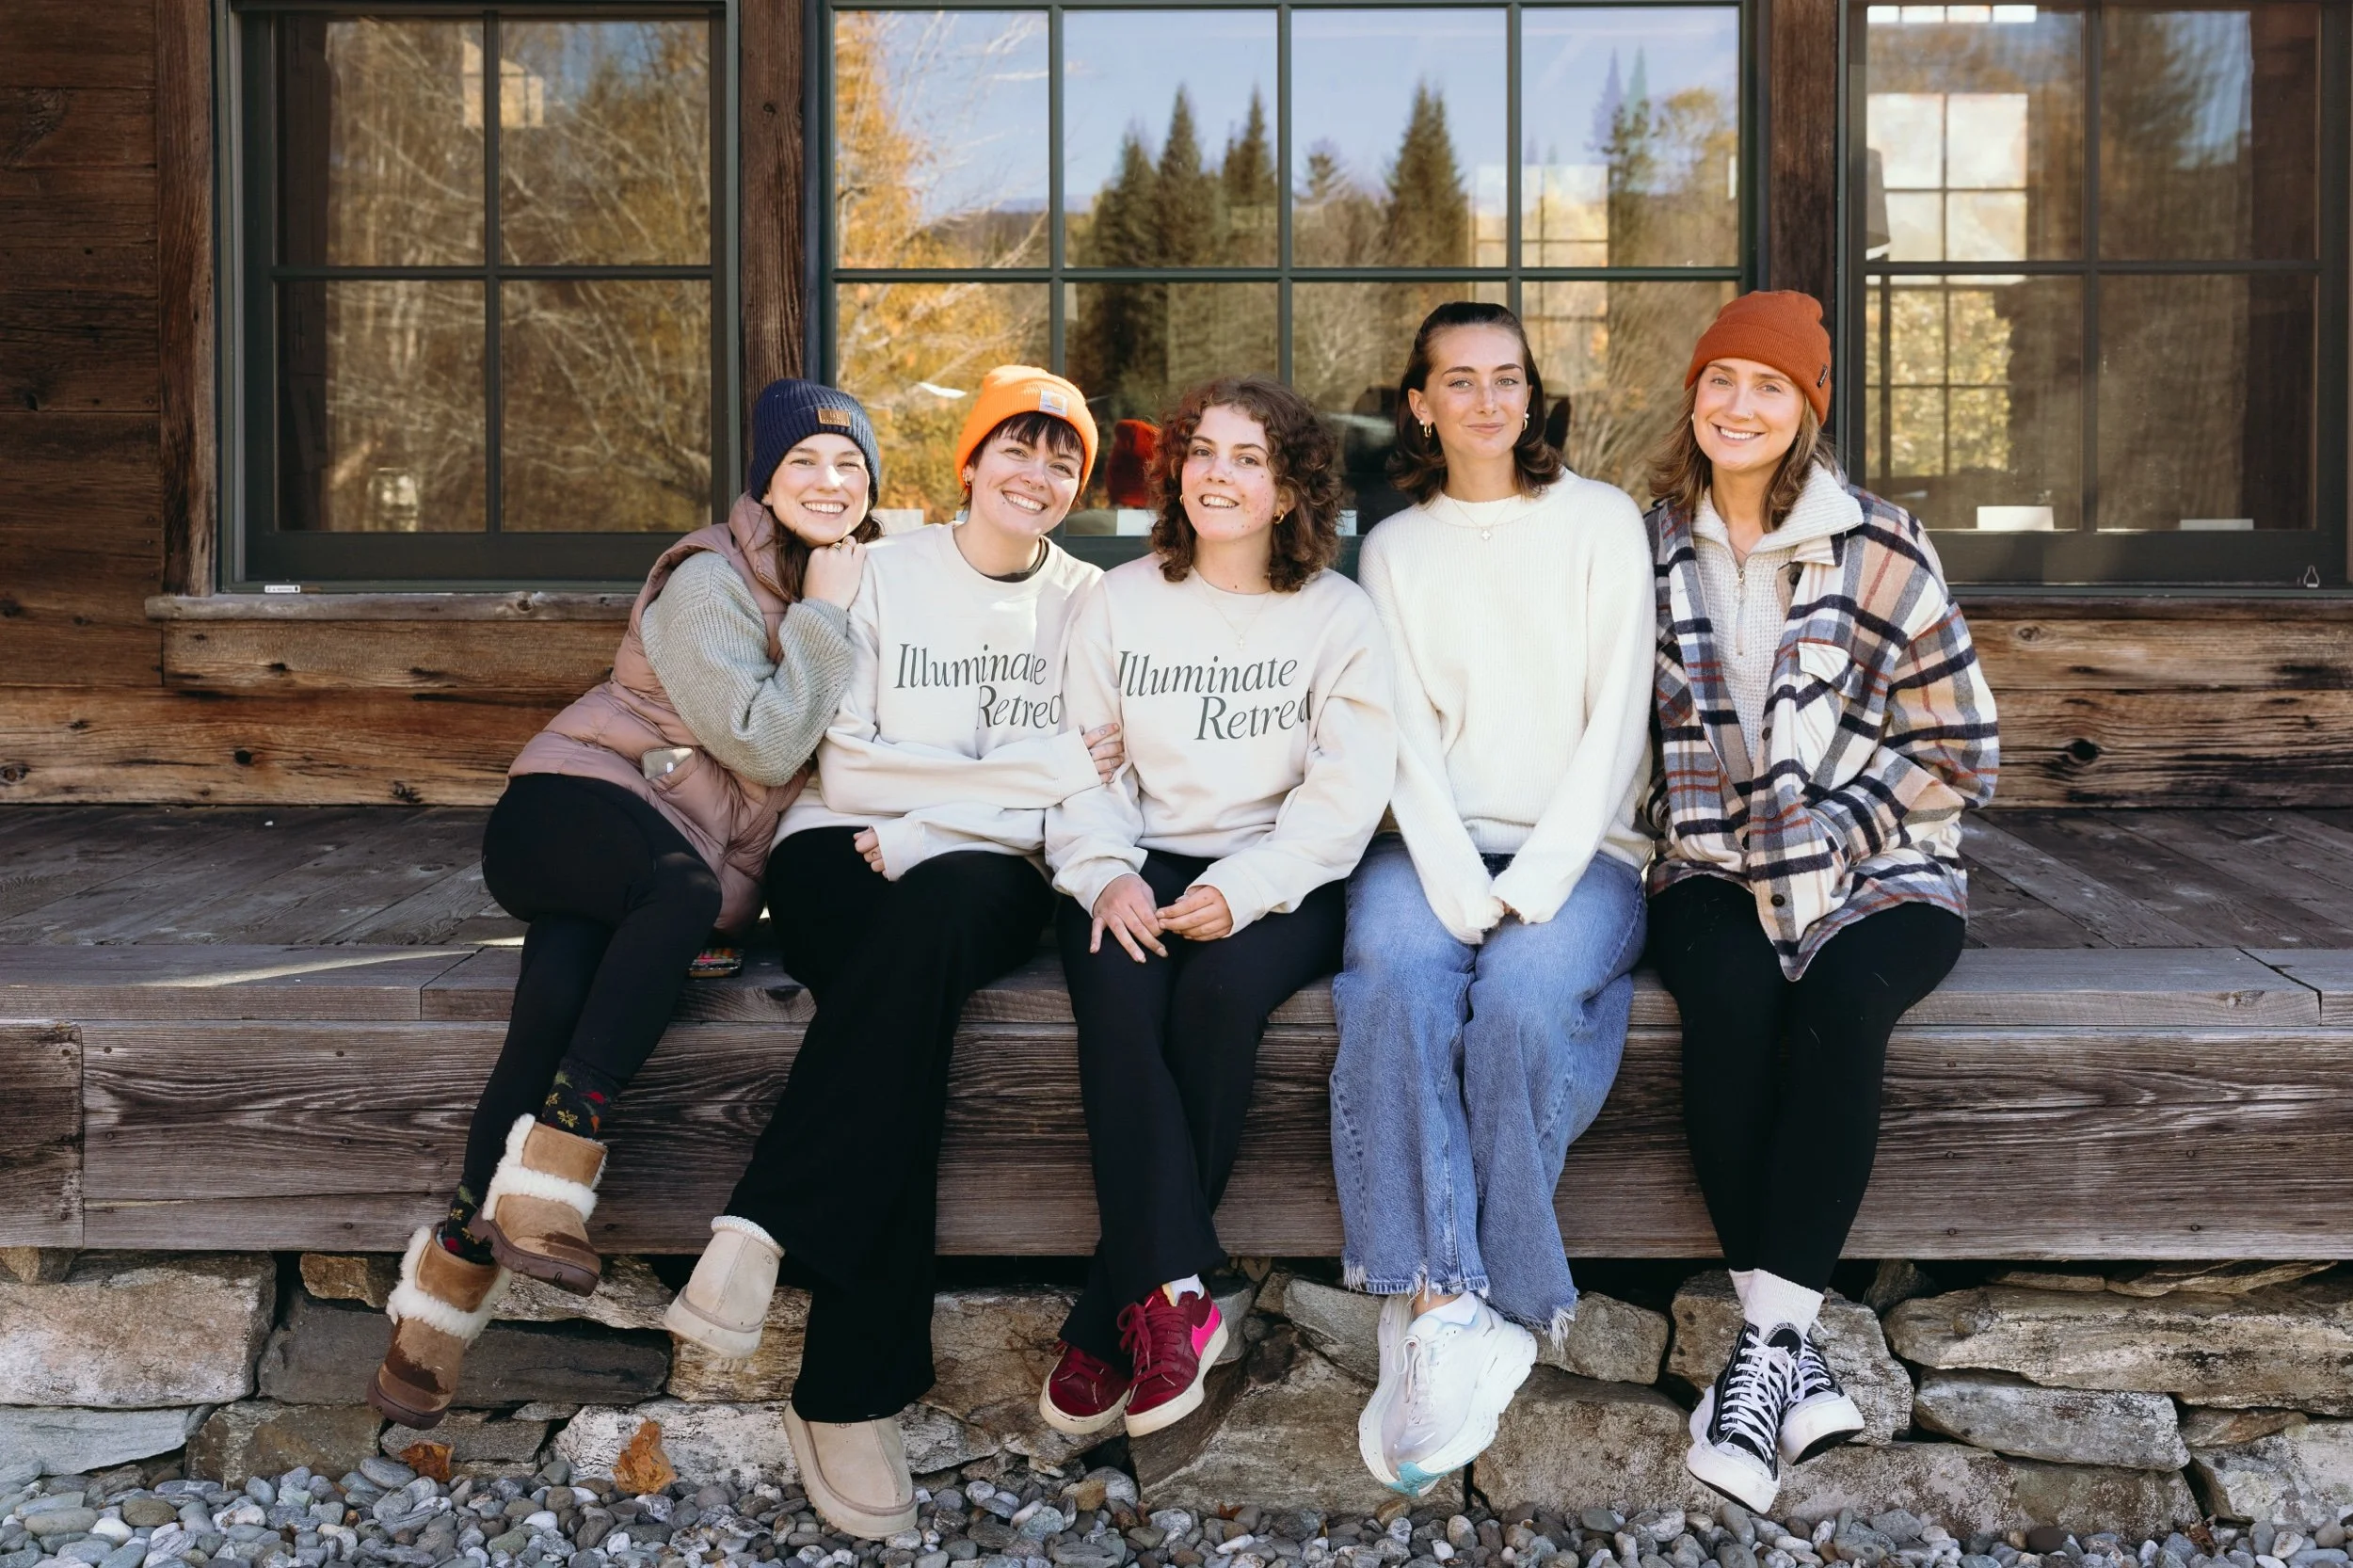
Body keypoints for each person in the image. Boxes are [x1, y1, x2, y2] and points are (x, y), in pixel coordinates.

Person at [366, 378, 882, 1430]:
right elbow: (767, 744)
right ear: (763, 481)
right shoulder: (708, 579)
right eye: (804, 462)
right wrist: (826, 615)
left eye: (851, 465)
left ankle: (447, 1286)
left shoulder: (869, 578)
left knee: (555, 992)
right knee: (678, 892)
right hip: (566, 811)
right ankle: (556, 1164)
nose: (829, 481)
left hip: (652, 873)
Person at [660, 367, 1118, 1541]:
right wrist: (1027, 771)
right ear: (968, 463)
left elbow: (1091, 784)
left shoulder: (1089, 601)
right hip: (833, 847)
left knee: (923, 944)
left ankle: (761, 1226)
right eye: (1015, 448)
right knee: (900, 1022)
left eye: (1062, 458)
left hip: (985, 865)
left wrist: (941, 818)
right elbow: (848, 765)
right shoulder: (876, 568)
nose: (1037, 475)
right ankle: (844, 1391)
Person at [1642, 292, 1997, 1512]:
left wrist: (1830, 837)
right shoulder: (1648, 548)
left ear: (1807, 412)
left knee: (1843, 1004)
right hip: (1706, 860)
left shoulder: (1882, 544)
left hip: (1885, 858)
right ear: (1695, 395)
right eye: (1722, 380)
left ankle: (1761, 1358)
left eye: (1771, 387)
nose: (1740, 406)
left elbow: (1960, 744)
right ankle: (1790, 1356)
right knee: (1731, 998)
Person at [1332, 301, 1656, 1495]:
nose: (1485, 399)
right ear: (1418, 405)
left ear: (1532, 395)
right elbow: (1402, 737)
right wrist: (1457, 875)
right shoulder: (1395, 547)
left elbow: (1619, 714)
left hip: (1586, 847)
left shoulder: (1599, 521)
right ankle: (1443, 1302)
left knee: (1522, 1000)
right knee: (1393, 981)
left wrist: (1542, 874)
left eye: (1506, 377)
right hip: (1429, 845)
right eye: (1457, 380)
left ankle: (1464, 1295)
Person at [1036, 376, 1396, 1442]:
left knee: (1218, 998)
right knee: (1115, 990)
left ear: (1290, 489)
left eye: (1249, 458)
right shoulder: (1119, 600)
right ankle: (1182, 1295)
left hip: (1283, 872)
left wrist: (1241, 890)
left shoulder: (1337, 614)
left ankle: (1114, 1311)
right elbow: (1083, 767)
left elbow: (1344, 796)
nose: (1219, 475)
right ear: (1175, 473)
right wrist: (1105, 871)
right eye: (1202, 452)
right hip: (1136, 858)